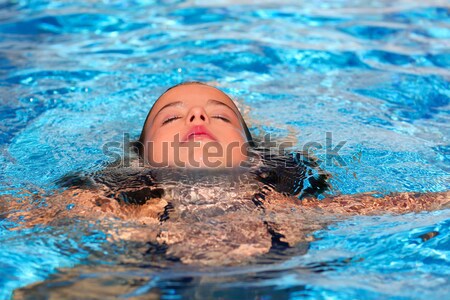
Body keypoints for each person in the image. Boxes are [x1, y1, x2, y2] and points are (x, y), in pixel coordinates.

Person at [2, 82, 449, 266]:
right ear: (143, 159)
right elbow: (20, 213)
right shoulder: (115, 212)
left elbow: (404, 206)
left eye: (220, 116)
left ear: (252, 156)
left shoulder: (288, 210)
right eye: (171, 119)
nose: (196, 115)